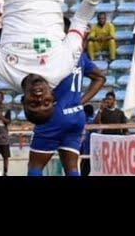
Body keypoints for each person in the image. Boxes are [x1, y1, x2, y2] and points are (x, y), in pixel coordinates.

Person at [28, 26, 106, 177]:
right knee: (71, 169)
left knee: (35, 166)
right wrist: (80, 101)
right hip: (77, 116)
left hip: (54, 115)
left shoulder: (51, 54)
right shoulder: (79, 56)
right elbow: (100, 78)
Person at [79, 104, 96, 176]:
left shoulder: (85, 121)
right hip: (89, 148)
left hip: (85, 148)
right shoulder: (92, 121)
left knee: (83, 169)